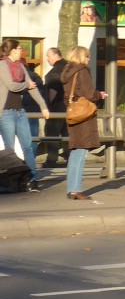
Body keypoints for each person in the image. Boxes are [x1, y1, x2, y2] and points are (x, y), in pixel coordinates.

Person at [0, 39, 50, 191]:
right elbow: (11, 85)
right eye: (20, 48)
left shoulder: (20, 66)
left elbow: (33, 88)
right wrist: (27, 85)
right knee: (10, 149)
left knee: (28, 146)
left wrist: (43, 107)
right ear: (13, 50)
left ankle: (33, 178)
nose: (22, 51)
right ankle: (13, 180)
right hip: (6, 112)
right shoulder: (2, 65)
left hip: (20, 112)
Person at [60, 45, 106, 201]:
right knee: (81, 153)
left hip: (73, 114)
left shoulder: (67, 72)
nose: (89, 59)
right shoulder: (82, 71)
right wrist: (99, 95)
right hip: (84, 116)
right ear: (81, 57)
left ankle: (71, 188)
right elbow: (88, 93)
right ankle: (76, 189)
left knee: (75, 152)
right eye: (87, 56)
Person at [41, 47, 66, 167]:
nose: (47, 59)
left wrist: (47, 106)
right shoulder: (69, 67)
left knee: (52, 132)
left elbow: (53, 92)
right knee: (67, 132)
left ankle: (51, 159)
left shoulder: (54, 72)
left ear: (56, 55)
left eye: (48, 56)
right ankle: (69, 156)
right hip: (70, 107)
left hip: (57, 106)